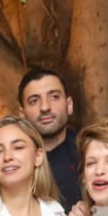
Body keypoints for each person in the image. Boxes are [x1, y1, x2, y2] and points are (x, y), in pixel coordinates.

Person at [18, 66, 79, 204]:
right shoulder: (12, 161)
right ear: (22, 114)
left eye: (54, 97)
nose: (45, 107)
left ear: (69, 105)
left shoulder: (88, 155)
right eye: (34, 101)